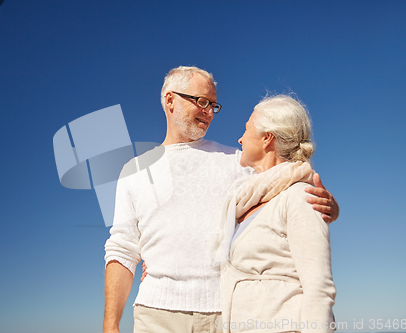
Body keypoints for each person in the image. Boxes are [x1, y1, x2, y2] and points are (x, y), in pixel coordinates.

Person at [103, 66, 338, 333]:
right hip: (155, 314)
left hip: (224, 314)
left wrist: (330, 205)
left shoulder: (237, 162)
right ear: (170, 100)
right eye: (201, 102)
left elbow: (287, 184)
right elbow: (122, 249)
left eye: (214, 105)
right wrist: (110, 325)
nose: (209, 112)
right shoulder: (133, 172)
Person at [215, 95, 336, 333]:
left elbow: (319, 288)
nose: (240, 138)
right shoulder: (244, 202)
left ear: (267, 138)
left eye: (246, 129)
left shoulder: (300, 197)